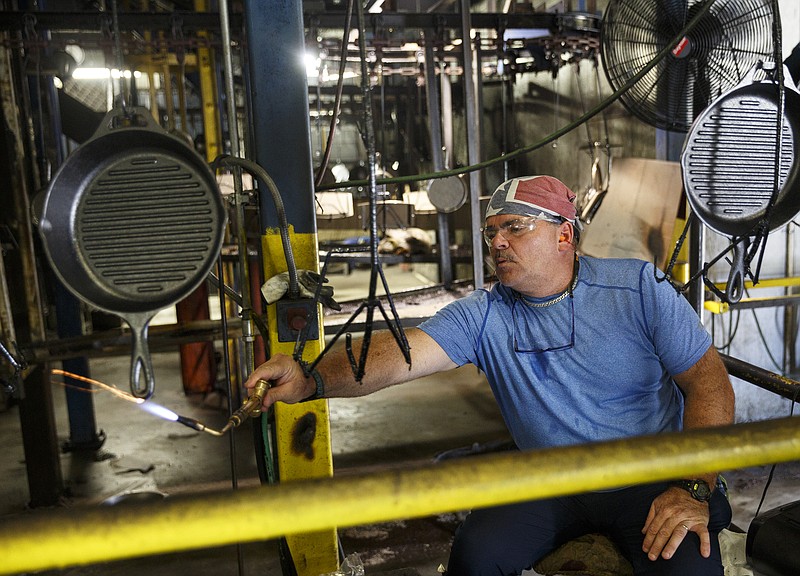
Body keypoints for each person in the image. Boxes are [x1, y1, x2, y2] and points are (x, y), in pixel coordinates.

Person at [245, 175, 735, 576]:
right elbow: (397, 354)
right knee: (476, 558)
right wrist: (309, 378)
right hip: (549, 479)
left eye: (515, 228)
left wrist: (693, 487)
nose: (497, 242)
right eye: (491, 232)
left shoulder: (636, 289)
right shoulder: (483, 314)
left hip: (650, 476)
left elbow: (709, 384)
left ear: (564, 234)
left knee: (688, 568)